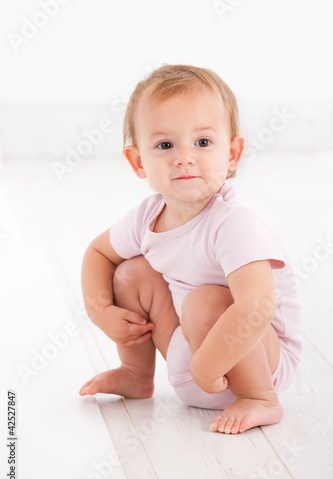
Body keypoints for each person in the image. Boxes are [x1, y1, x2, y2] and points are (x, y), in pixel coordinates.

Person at [79, 64, 302, 434]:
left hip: (257, 358)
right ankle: (136, 374)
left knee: (203, 302)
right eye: (165, 145)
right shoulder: (147, 217)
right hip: (193, 352)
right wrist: (100, 311)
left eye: (202, 142)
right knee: (131, 272)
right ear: (138, 162)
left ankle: (261, 400)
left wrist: (208, 365)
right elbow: (97, 253)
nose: (184, 157)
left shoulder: (233, 222)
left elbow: (258, 305)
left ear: (232, 154)